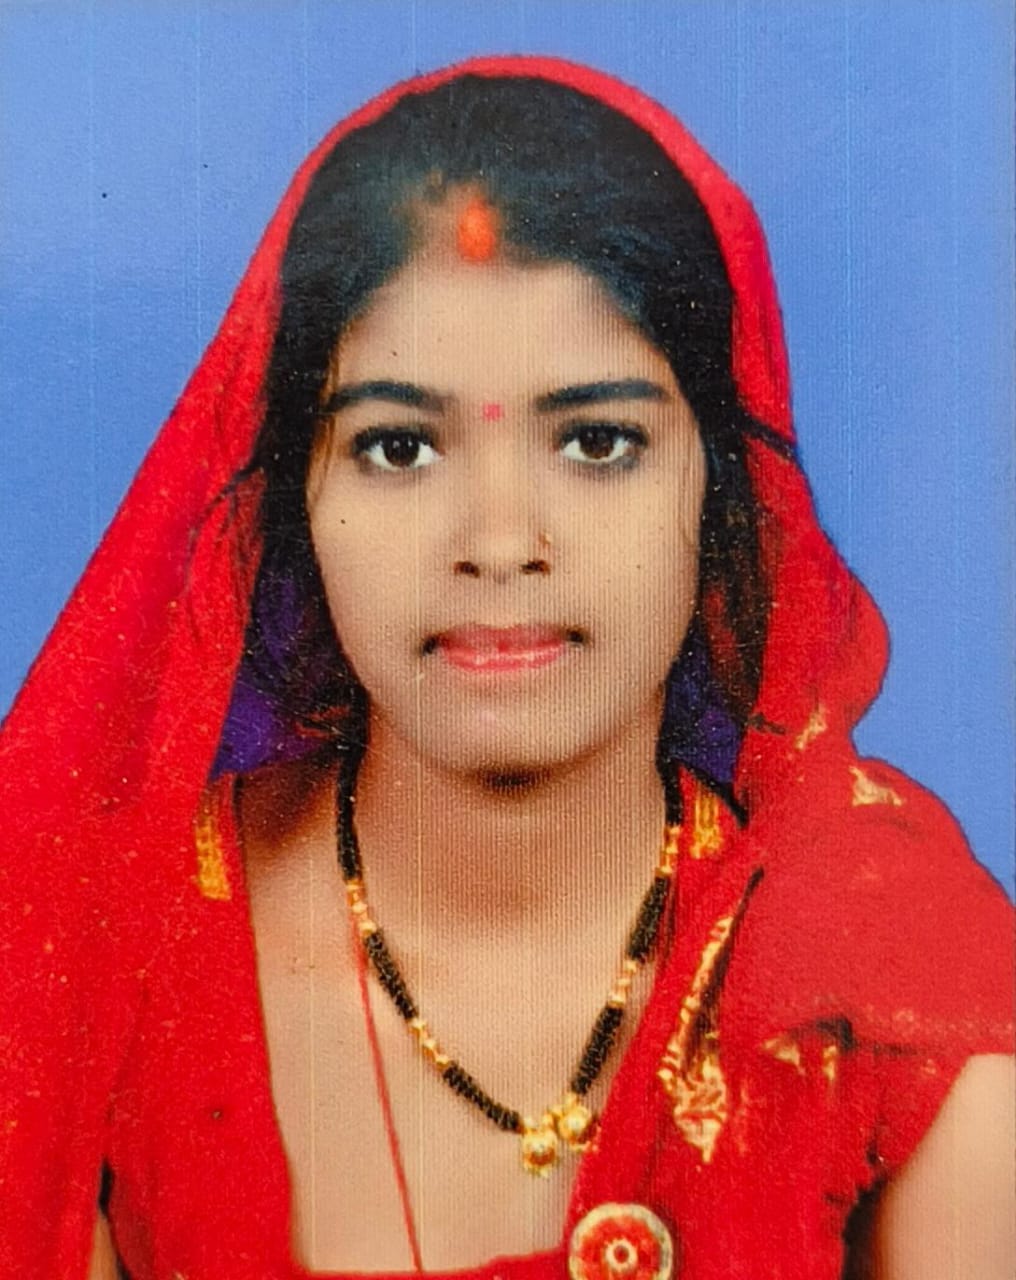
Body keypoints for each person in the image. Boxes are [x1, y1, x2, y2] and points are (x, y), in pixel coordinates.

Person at [0, 56, 1011, 1280]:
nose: (496, 541)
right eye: (396, 447)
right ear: (292, 499)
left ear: (722, 491)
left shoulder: (886, 998)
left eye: (597, 440)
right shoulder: (93, 957)